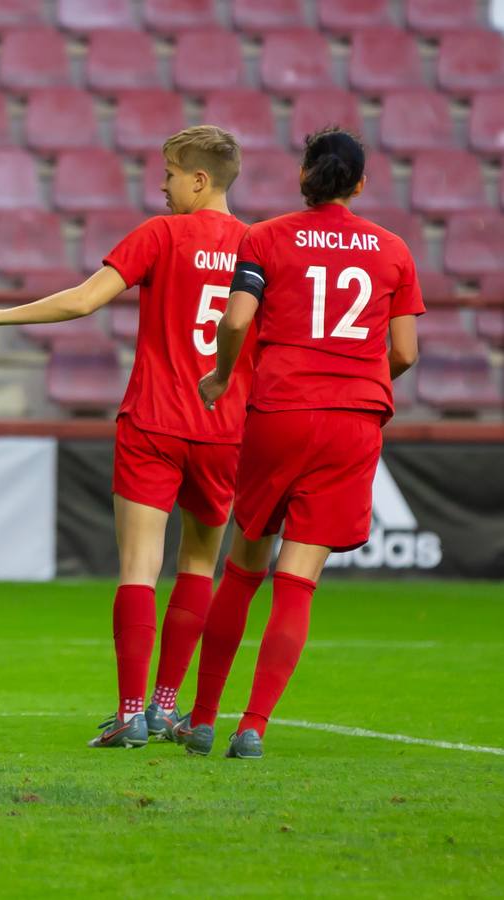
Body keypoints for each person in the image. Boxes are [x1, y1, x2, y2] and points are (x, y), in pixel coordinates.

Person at [0, 126, 253, 748]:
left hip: (154, 421)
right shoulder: (260, 246)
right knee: (200, 564)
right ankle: (169, 708)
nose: (162, 186)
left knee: (140, 568)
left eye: (169, 174)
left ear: (199, 179)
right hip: (224, 427)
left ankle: (132, 713)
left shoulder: (161, 234)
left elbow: (86, 301)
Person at [189, 128, 423, 759]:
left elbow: (237, 318)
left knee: (243, 569)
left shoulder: (264, 237)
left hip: (282, 410)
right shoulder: (394, 250)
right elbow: (404, 352)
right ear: (361, 184)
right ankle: (254, 728)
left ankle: (203, 719)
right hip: (353, 421)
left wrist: (220, 373)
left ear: (303, 177)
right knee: (298, 583)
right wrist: (360, 381)